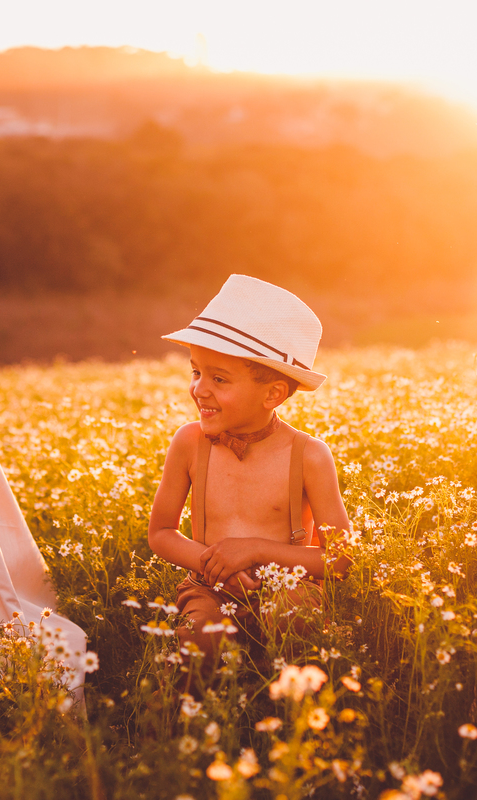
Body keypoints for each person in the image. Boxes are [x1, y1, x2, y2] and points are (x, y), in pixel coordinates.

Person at [148, 274, 352, 672]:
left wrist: (255, 550)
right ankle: (198, 720)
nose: (199, 389)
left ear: (273, 394)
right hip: (210, 586)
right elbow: (161, 533)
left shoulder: (309, 455)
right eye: (196, 372)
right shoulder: (189, 444)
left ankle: (293, 715)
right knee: (198, 641)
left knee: (294, 620)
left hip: (289, 586)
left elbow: (340, 559)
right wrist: (215, 564)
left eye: (218, 378)